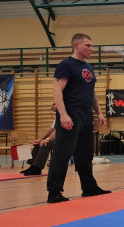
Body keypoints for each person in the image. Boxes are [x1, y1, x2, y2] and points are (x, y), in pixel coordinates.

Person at [46, 33, 110, 203]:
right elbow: (57, 90)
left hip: (86, 114)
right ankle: (54, 191)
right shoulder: (66, 65)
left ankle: (89, 188)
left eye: (92, 46)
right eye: (88, 45)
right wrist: (63, 114)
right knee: (63, 153)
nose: (91, 49)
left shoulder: (88, 67)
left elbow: (91, 92)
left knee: (85, 153)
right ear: (76, 45)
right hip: (71, 113)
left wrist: (99, 112)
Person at [21, 106, 57, 176]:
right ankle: (33, 167)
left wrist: (47, 139)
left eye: (54, 104)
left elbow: (57, 131)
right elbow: (51, 130)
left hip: (63, 139)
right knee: (38, 144)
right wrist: (41, 139)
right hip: (55, 138)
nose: (52, 106)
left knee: (45, 144)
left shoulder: (63, 115)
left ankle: (37, 168)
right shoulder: (56, 117)